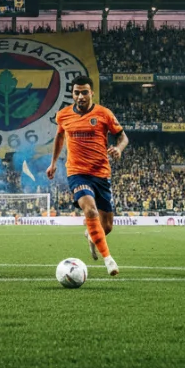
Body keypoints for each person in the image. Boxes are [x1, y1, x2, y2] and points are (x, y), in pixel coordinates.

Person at [46, 74, 127, 277]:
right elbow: (59, 137)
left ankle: (91, 236)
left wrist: (119, 149)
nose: (80, 96)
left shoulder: (104, 114)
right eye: (76, 93)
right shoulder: (63, 115)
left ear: (92, 93)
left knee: (107, 226)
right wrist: (53, 163)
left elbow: (123, 137)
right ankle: (109, 260)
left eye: (84, 92)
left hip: (101, 173)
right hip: (77, 172)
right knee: (90, 210)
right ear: (72, 94)